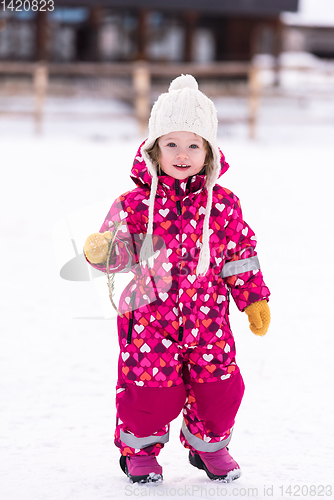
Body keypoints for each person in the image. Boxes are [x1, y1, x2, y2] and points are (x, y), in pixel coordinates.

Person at [84, 74, 271, 484]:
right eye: (171, 143)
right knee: (149, 392)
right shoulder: (134, 204)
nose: (182, 154)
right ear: (154, 148)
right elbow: (116, 254)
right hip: (150, 319)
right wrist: (103, 252)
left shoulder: (222, 205)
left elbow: (240, 256)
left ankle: (211, 448)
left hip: (209, 320)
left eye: (193, 145)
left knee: (218, 389)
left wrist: (253, 299)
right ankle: (140, 451)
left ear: (209, 151)